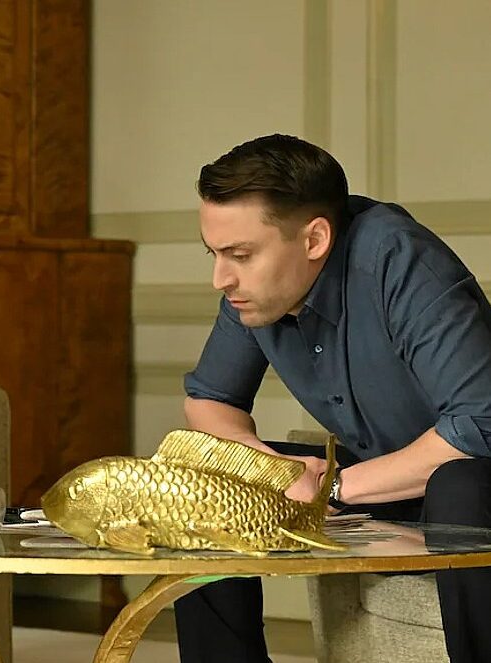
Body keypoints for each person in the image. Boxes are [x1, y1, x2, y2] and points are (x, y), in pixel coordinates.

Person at [177, 133, 491, 663]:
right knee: (209, 475)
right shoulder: (254, 292)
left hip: (472, 479)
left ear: (315, 239)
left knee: (457, 486)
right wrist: (273, 470)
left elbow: (481, 424)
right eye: (215, 253)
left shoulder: (399, 260)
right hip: (387, 477)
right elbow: (208, 401)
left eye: (240, 255)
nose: (220, 278)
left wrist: (333, 487)